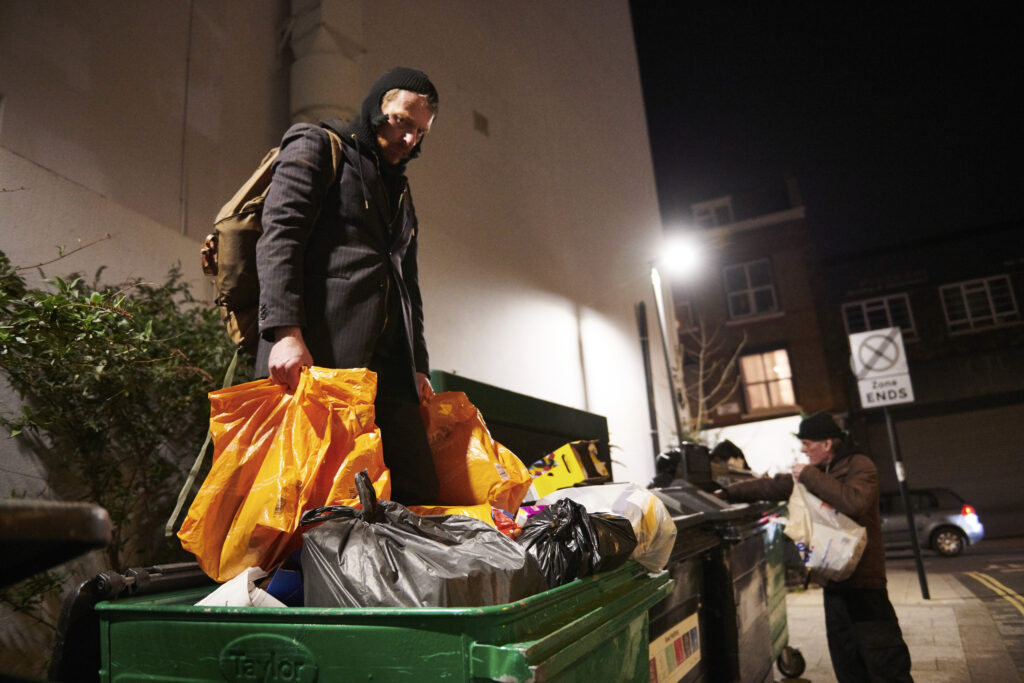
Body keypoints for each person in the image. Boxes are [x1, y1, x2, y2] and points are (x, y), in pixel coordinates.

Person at [255, 67, 441, 505]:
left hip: (389, 371)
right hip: (321, 357)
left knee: (417, 492)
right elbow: (280, 235)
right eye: (401, 122)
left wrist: (420, 368)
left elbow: (407, 284)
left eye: (420, 131)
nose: (410, 140)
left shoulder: (401, 192)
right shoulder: (318, 145)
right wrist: (285, 333)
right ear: (377, 107)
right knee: (312, 499)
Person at [716, 411, 913, 682]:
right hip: (832, 583)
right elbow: (774, 486)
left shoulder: (859, 465)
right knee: (848, 666)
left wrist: (809, 475)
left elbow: (854, 502)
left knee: (885, 664)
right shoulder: (820, 471)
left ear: (827, 444)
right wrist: (727, 493)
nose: (804, 450)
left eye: (808, 444)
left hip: (865, 585)